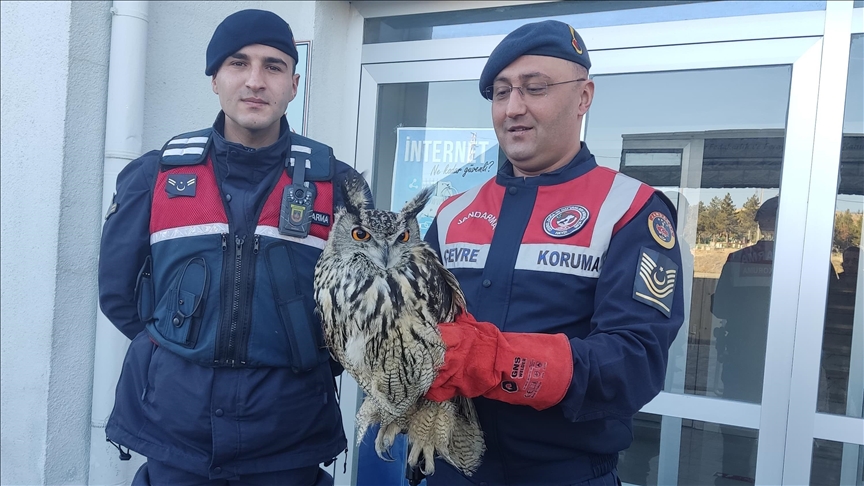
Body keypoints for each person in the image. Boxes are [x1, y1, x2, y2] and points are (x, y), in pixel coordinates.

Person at [99, 10, 369, 485]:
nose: (255, 81)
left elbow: (360, 310)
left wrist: (299, 361)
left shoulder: (339, 187)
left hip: (288, 439)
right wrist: (177, 362)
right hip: (175, 436)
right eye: (238, 64)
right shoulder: (155, 177)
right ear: (215, 79)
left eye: (273, 66)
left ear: (294, 83)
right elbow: (119, 293)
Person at [421, 20, 685, 485]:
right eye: (501, 93)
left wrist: (499, 362)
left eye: (534, 88)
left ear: (584, 97)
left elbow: (634, 362)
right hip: (450, 469)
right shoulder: (452, 212)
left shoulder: (629, 208)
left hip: (565, 473)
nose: (513, 108)